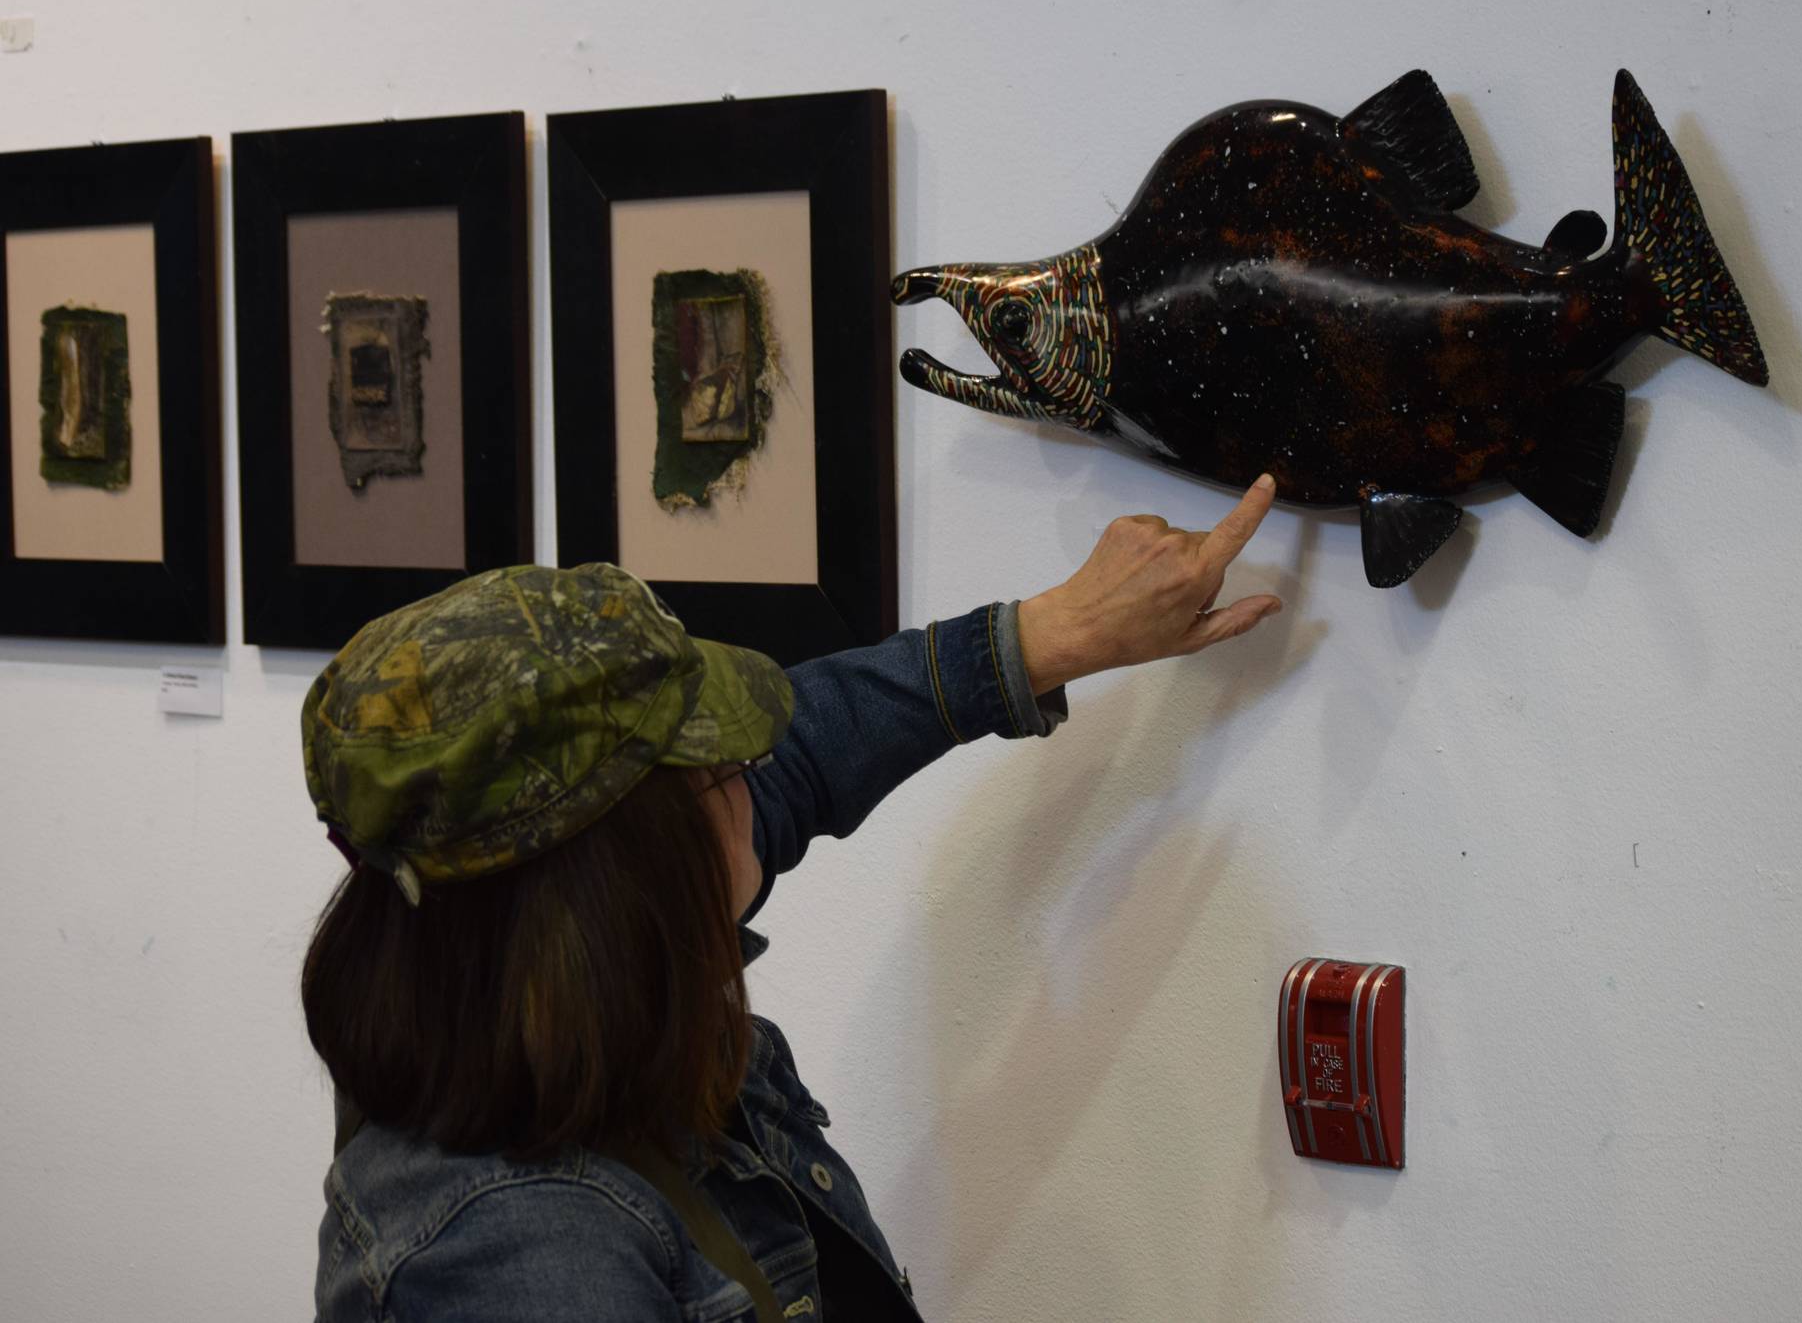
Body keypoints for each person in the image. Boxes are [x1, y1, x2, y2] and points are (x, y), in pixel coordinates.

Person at [300, 476, 1281, 1321]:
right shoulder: (527, 1257)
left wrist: (1038, 639)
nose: (749, 773)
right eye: (712, 767)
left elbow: (804, 750)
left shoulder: (487, 964)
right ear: (631, 868)